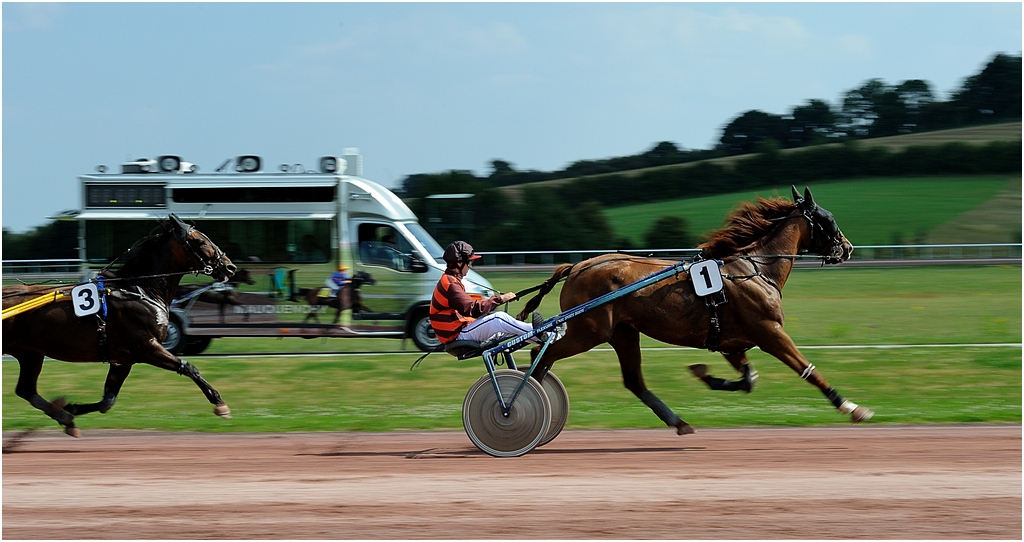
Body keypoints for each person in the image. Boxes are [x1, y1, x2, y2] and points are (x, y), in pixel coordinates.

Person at [430, 240, 550, 347]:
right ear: (459, 263)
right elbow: (472, 309)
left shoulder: (450, 280)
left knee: (509, 325)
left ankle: (543, 336)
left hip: (459, 331)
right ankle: (546, 335)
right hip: (457, 335)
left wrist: (499, 300)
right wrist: (501, 299)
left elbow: (471, 306)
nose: (470, 267)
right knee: (499, 318)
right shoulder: (450, 283)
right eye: (470, 263)